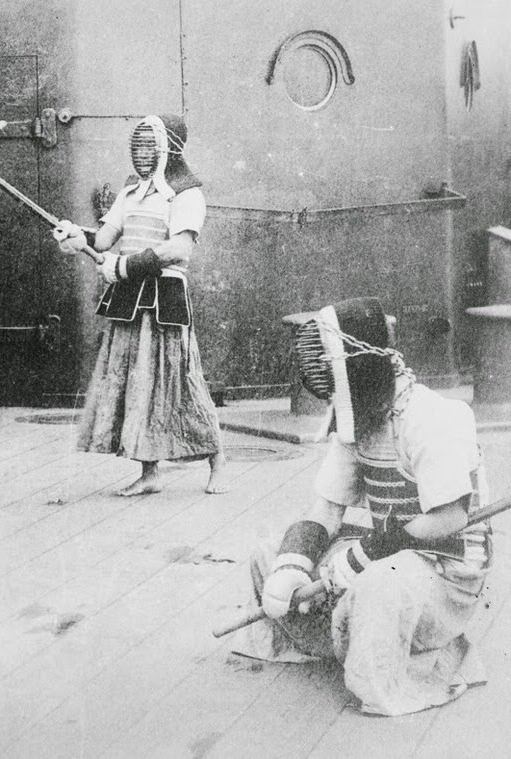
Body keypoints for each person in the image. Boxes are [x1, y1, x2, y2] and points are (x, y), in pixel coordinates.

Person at [234, 297, 492, 716]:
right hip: (390, 548)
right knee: (269, 552)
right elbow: (327, 510)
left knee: (379, 584)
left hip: (445, 565)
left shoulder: (432, 417)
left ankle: (384, 669)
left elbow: (451, 517)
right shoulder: (358, 417)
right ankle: (342, 640)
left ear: (359, 370)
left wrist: (361, 557)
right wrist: (293, 564)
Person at [55, 114, 227, 496]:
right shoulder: (131, 189)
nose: (143, 152)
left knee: (181, 386)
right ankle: (150, 474)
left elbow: (179, 248)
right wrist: (74, 233)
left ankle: (218, 462)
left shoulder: (186, 193)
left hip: (164, 300)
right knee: (138, 387)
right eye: (140, 144)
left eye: (151, 144)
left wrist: (125, 265)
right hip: (129, 300)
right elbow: (103, 241)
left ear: (170, 148)